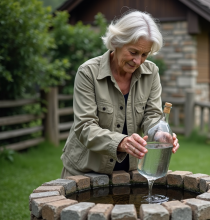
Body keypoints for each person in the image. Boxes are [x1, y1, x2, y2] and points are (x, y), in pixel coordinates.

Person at [60, 11, 179, 178]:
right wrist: (121, 142)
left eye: (144, 55)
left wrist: (159, 134)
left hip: (128, 172)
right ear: (116, 42)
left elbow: (152, 114)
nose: (138, 61)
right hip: (84, 172)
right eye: (133, 52)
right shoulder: (88, 73)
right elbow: (85, 127)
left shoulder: (151, 72)